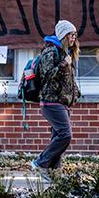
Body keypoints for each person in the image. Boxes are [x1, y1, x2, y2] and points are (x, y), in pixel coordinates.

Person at [30, 19, 80, 181]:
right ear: (63, 35)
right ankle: (40, 162)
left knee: (57, 137)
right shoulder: (51, 51)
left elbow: (65, 80)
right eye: (71, 34)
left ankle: (53, 173)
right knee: (65, 135)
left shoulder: (64, 52)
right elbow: (48, 76)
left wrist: (75, 92)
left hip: (62, 102)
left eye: (75, 34)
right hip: (51, 102)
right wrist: (64, 65)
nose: (73, 37)